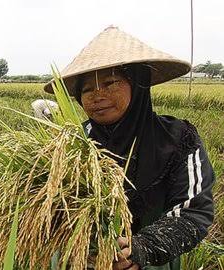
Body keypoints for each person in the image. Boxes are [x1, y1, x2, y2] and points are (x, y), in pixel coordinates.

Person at [45, 26, 214, 270]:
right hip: (80, 260)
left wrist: (143, 248)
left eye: (110, 82)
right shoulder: (72, 143)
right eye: (87, 89)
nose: (97, 96)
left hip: (152, 261)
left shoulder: (178, 139)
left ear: (138, 84)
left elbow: (194, 212)